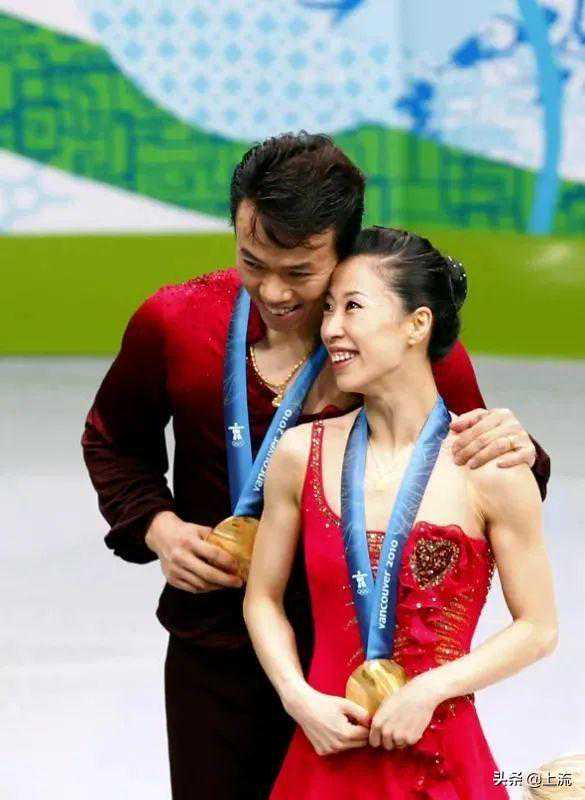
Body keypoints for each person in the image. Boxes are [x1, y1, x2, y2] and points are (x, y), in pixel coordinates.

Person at [82, 133, 550, 800]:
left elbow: (475, 470)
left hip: (362, 666)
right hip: (219, 646)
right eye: (252, 262)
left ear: (342, 251)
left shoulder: (399, 345)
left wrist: (514, 443)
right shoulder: (176, 322)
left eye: (300, 272)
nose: (272, 290)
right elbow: (112, 440)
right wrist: (160, 528)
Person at [243, 226, 558, 800]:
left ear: (417, 325)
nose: (330, 327)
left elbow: (537, 627)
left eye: (353, 307)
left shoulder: (490, 468)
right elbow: (262, 598)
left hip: (440, 762)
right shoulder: (299, 454)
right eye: (329, 308)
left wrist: (429, 690)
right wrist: (298, 697)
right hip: (324, 757)